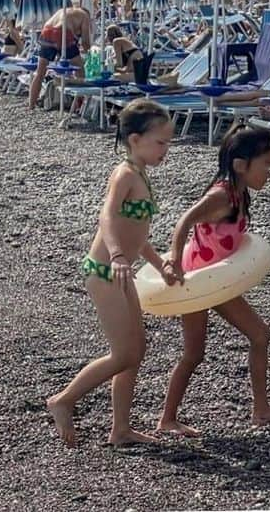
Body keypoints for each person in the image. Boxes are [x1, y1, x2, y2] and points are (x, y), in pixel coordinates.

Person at [46, 100, 176, 450]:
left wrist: (159, 262)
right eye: (160, 143)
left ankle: (120, 428)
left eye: (168, 143)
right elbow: (107, 217)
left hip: (121, 270)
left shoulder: (141, 173)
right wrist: (118, 254)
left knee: (137, 349)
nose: (166, 150)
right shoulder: (125, 174)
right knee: (124, 353)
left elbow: (137, 230)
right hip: (105, 270)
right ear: (135, 139)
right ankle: (64, 399)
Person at [157, 124, 270, 435]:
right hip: (195, 284)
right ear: (240, 165)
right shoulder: (221, 195)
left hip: (217, 282)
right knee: (194, 354)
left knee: (260, 335)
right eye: (266, 164)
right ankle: (167, 418)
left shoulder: (240, 193)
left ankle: (261, 410)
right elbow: (184, 221)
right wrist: (173, 260)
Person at [29, 0, 92, 111]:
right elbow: (86, 42)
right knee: (80, 71)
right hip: (63, 32)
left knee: (40, 72)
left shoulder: (63, 10)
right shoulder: (84, 16)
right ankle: (79, 105)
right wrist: (91, 55)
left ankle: (31, 105)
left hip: (47, 31)